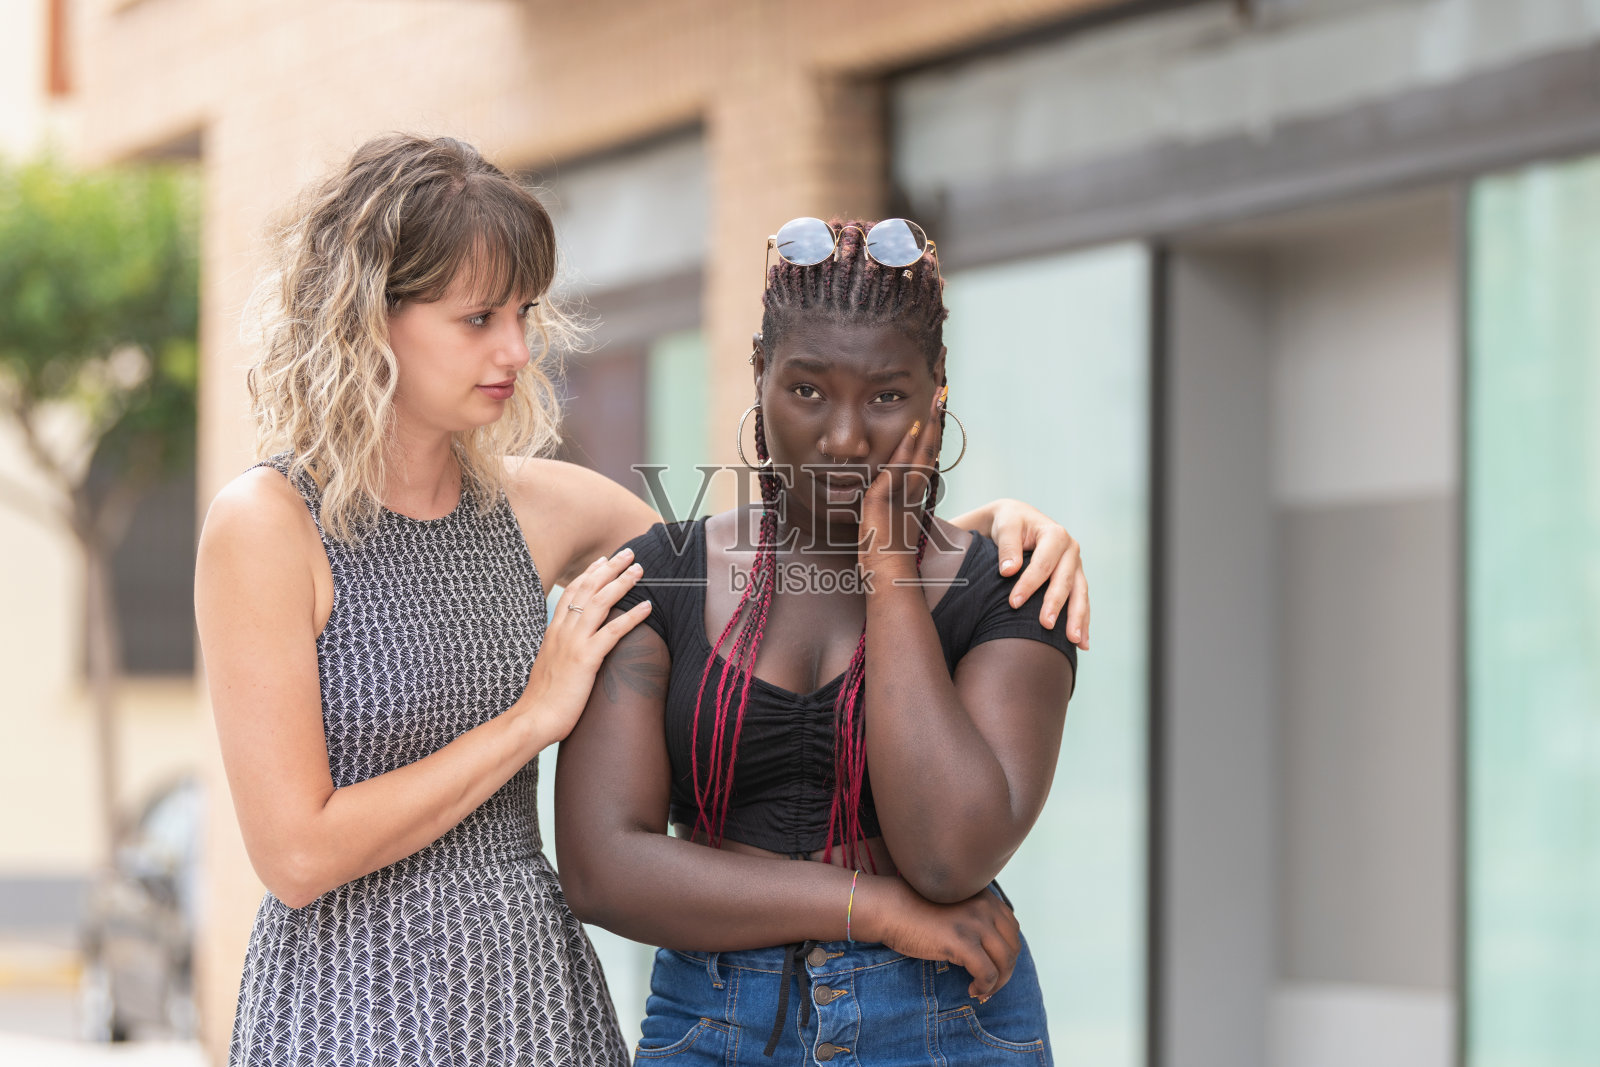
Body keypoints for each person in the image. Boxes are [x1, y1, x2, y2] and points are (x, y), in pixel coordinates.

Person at [195, 135, 1089, 1067]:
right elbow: (295, 854)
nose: (518, 347)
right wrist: (532, 719)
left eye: (525, 312)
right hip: (354, 997)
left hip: (529, 997)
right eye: (478, 319)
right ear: (368, 317)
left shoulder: (546, 507)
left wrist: (978, 535)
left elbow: (766, 562)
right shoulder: (268, 524)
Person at [554, 217, 1078, 1065]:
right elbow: (601, 866)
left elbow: (948, 858)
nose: (843, 437)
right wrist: (874, 908)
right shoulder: (659, 581)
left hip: (945, 1026)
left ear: (936, 392)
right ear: (758, 377)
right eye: (807, 391)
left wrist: (890, 568)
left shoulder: (1010, 592)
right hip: (715, 1027)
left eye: (885, 395)